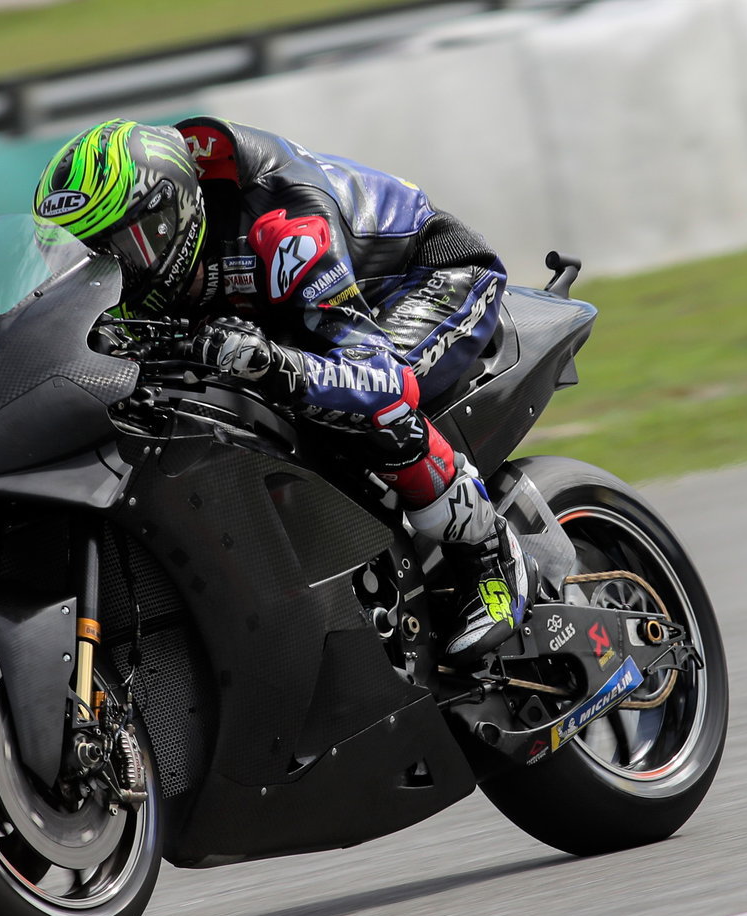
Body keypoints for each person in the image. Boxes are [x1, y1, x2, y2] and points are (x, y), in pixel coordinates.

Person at [33, 118, 540, 663]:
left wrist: (273, 363)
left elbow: (381, 378)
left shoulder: (284, 225)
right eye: (91, 257)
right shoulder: (165, 261)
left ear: (167, 220)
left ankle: (488, 550)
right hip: (291, 310)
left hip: (426, 280)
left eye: (119, 251)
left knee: (354, 405)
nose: (112, 272)